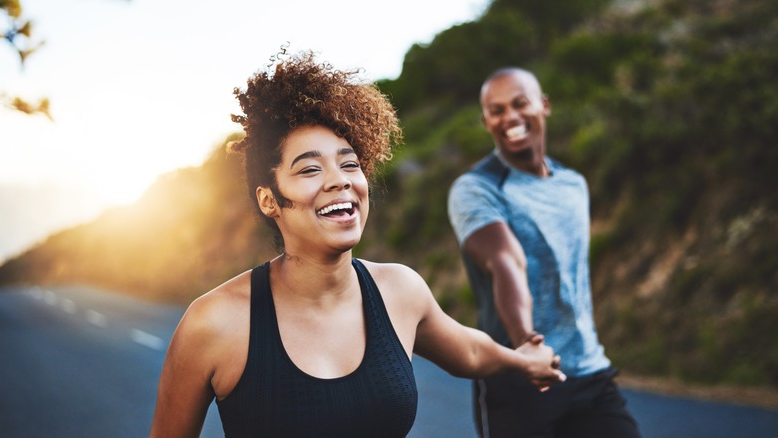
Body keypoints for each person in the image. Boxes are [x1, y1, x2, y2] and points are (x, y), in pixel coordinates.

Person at [149, 52, 566, 438]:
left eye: (349, 163)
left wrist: (524, 361)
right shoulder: (215, 322)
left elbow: (470, 352)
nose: (339, 179)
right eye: (310, 168)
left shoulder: (400, 291)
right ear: (269, 199)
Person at [447, 67, 641, 438]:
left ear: (544, 105)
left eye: (520, 103)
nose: (511, 117)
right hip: (519, 377)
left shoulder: (573, 184)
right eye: (497, 110)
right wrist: (527, 343)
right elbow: (505, 261)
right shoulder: (475, 189)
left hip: (588, 371)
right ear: (486, 120)